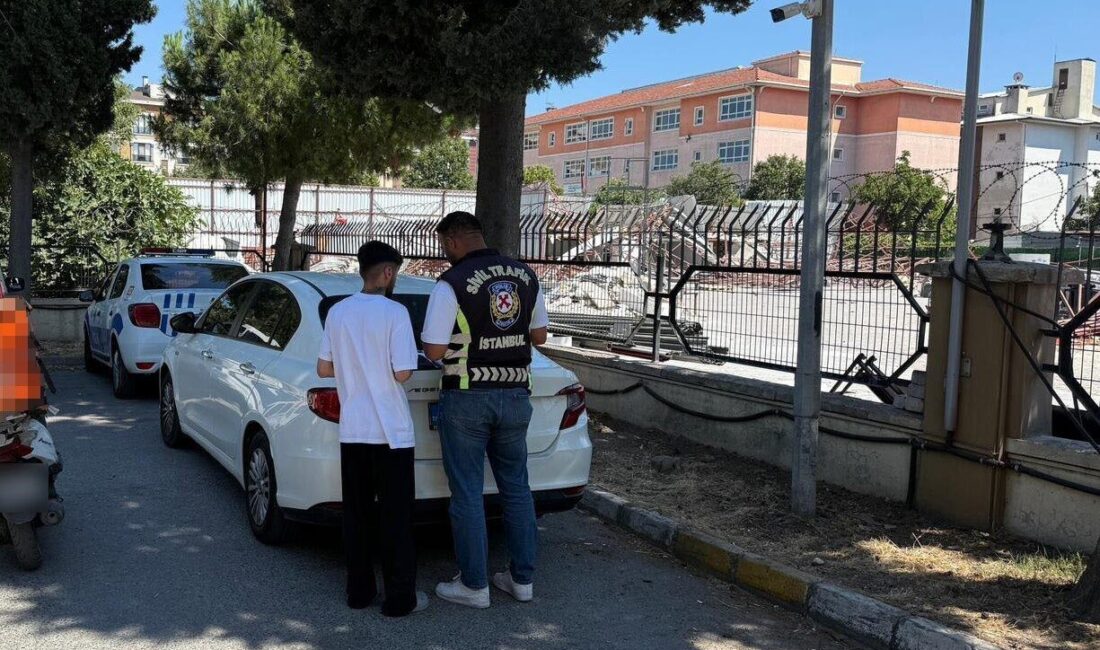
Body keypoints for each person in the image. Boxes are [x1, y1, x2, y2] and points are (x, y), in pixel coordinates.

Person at [421, 211, 549, 609]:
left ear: (455, 240)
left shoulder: (451, 284)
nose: (445, 254)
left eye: (445, 246)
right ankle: (522, 581)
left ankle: (474, 586)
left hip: (466, 395)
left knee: (467, 493)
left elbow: (435, 350)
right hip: (515, 394)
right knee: (516, 488)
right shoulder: (526, 276)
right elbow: (540, 335)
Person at [316, 241, 427, 617]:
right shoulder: (395, 313)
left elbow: (324, 369)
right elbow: (402, 372)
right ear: (388, 272)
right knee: (396, 518)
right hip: (392, 432)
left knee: (357, 515)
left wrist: (355, 366)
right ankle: (399, 598)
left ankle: (358, 592)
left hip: (353, 429)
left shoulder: (337, 313)